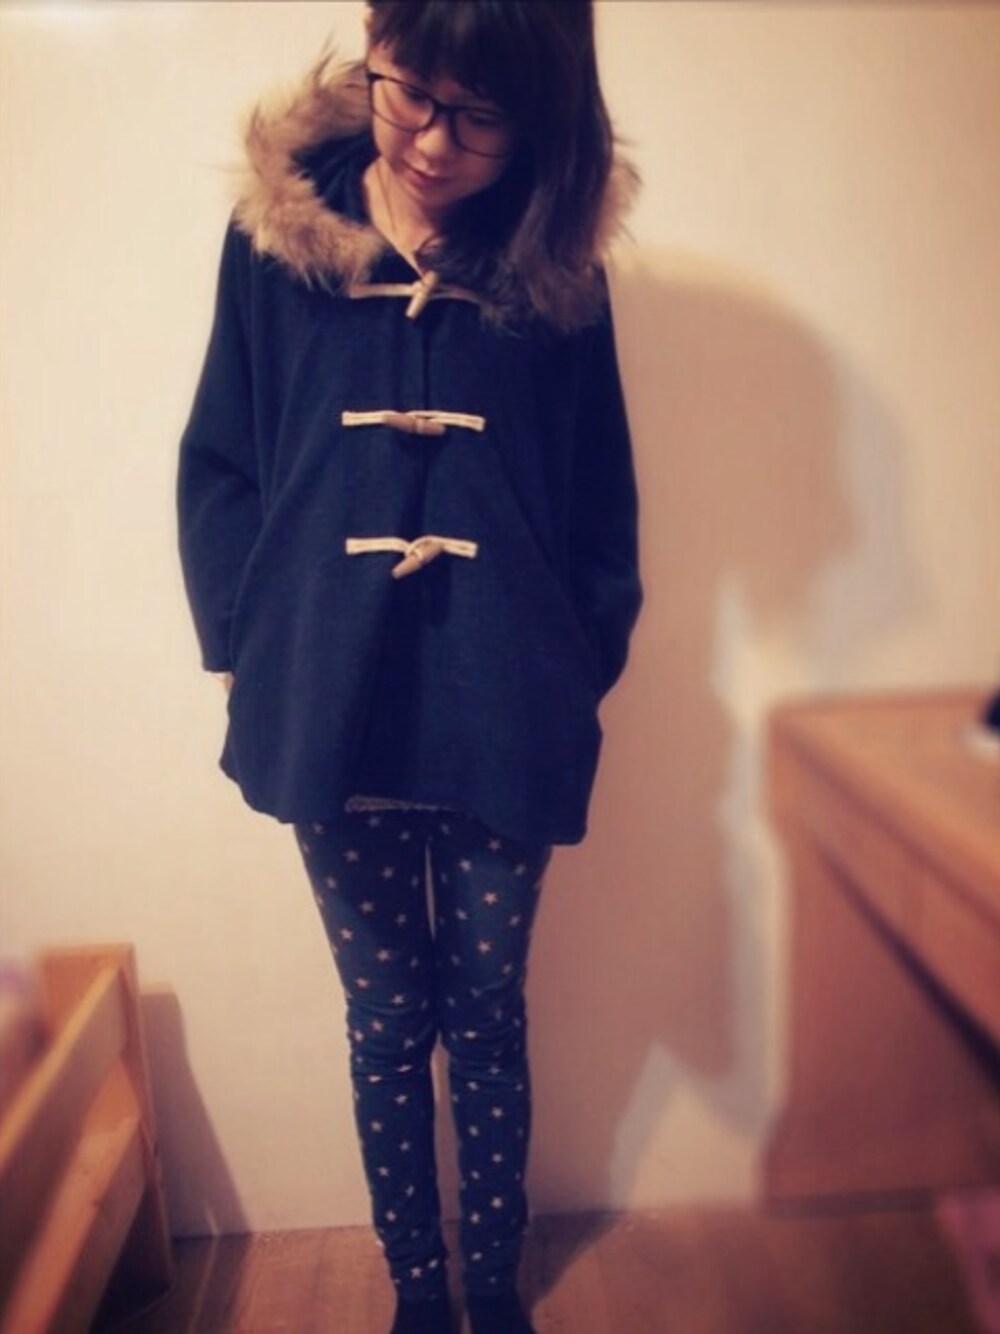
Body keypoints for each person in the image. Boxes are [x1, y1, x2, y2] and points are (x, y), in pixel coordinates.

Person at [177, 3, 641, 1331]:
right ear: (373, 41)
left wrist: (573, 659)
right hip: (332, 704)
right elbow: (221, 461)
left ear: (541, 114)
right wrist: (248, 649)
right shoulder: (278, 243)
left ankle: (493, 1287)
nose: (433, 142)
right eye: (411, 93)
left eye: (479, 116)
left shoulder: (554, 268)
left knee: (487, 1012)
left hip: (506, 705)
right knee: (385, 1021)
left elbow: (601, 500)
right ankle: (418, 1291)